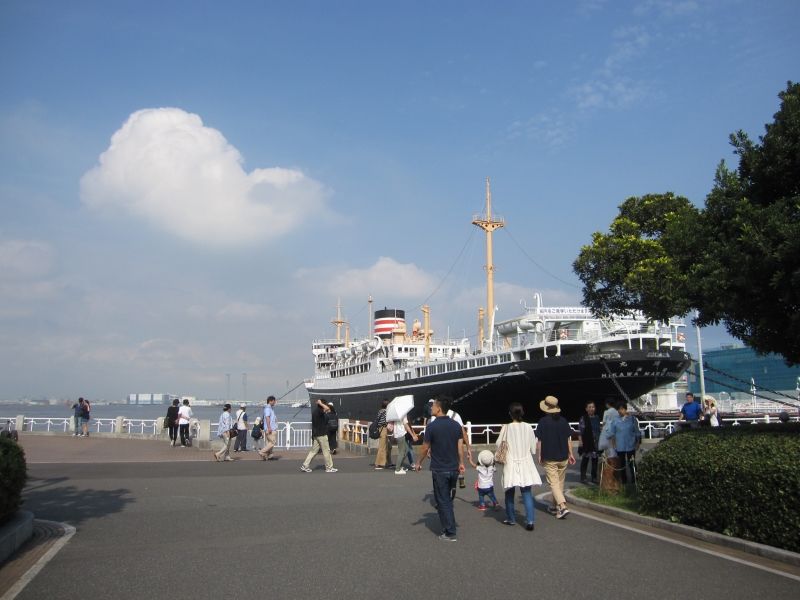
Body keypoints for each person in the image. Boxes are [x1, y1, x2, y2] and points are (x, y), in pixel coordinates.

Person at [414, 396, 464, 542]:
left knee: (443, 501)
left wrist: (418, 462)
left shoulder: (432, 426)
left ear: (439, 408)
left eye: (434, 406)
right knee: (447, 499)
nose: (431, 408)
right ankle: (449, 526)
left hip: (440, 468)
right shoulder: (455, 425)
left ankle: (450, 532)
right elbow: (459, 446)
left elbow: (425, 448)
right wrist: (461, 463)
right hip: (454, 467)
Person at [497, 402, 541, 530]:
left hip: (511, 462)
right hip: (525, 461)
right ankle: (530, 521)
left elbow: (499, 444)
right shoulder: (528, 427)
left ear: (510, 414)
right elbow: (533, 448)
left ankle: (511, 518)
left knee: (509, 492)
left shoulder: (506, 427)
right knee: (526, 492)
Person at [536, 395, 576, 519]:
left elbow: (540, 441)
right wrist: (571, 453)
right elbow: (568, 438)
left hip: (549, 457)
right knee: (560, 482)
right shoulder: (563, 421)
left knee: (553, 483)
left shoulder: (543, 422)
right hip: (563, 456)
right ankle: (555, 506)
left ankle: (562, 506)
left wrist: (539, 455)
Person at [607, 401, 641, 485]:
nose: (620, 411)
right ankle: (624, 481)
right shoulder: (615, 420)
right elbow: (612, 433)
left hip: (630, 445)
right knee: (621, 464)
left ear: (625, 409)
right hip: (620, 445)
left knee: (631, 463)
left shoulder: (632, 419)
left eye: (621, 409)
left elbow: (637, 432)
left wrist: (638, 442)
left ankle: (635, 480)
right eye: (618, 409)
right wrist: (613, 444)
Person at [300, 399, 337, 473]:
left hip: (316, 435)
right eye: (325, 404)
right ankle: (329, 467)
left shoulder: (314, 412)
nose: (326, 405)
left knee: (313, 451)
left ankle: (305, 465)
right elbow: (327, 408)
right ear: (322, 404)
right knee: (326, 451)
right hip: (322, 434)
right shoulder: (320, 411)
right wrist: (321, 403)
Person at [598, 398, 620, 493]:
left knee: (608, 457)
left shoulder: (606, 412)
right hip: (616, 435)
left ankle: (608, 485)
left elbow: (604, 423)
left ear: (607, 404)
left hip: (607, 435)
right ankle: (617, 483)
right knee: (614, 454)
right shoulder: (617, 412)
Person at [579, 401, 601, 483]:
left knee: (595, 460)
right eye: (589, 407)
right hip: (587, 442)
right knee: (585, 459)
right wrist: (581, 442)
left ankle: (594, 477)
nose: (591, 408)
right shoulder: (583, 418)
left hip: (595, 443)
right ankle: (583, 477)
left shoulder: (597, 418)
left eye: (593, 407)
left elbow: (598, 429)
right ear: (586, 409)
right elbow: (580, 432)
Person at [373, 399, 392, 470]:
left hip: (381, 429)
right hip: (383, 429)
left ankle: (388, 462)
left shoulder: (380, 411)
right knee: (382, 447)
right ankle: (379, 463)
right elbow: (385, 422)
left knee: (389, 446)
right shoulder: (385, 412)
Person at [258, 395, 278, 460]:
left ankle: (269, 455)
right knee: (273, 442)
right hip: (270, 428)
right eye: (274, 401)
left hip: (271, 428)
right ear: (270, 401)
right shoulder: (268, 409)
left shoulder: (270, 408)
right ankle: (262, 452)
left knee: (269, 442)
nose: (275, 402)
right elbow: (267, 418)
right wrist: (269, 428)